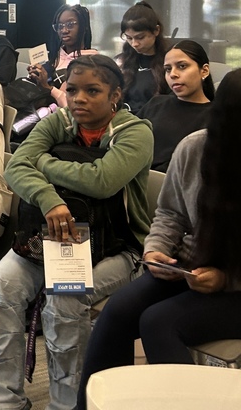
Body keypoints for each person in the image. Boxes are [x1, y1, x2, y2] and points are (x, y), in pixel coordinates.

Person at [0, 54, 153, 410]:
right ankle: (3, 403)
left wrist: (43, 163)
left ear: (115, 95)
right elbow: (15, 169)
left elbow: (103, 181)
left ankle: (67, 404)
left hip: (117, 248)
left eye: (93, 91)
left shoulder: (136, 131)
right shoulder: (61, 121)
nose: (79, 99)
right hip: (46, 241)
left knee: (64, 301)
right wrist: (48, 200)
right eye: (72, 90)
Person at [77, 69, 241, 408]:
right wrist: (155, 251)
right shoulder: (196, 148)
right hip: (194, 267)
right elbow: (170, 215)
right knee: (119, 311)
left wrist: (227, 277)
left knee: (158, 322)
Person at [137, 39, 214, 172]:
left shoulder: (215, 117)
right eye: (168, 69)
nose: (173, 74)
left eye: (182, 66)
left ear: (204, 71)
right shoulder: (156, 104)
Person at [26, 4, 99, 108]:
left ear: (84, 26)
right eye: (60, 26)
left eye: (70, 24)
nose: (64, 31)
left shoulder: (93, 63)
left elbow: (73, 106)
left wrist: (49, 88)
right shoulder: (53, 58)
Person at [116, 0, 171, 112]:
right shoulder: (122, 62)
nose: (134, 44)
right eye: (129, 38)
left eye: (140, 37)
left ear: (156, 30)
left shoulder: (169, 63)